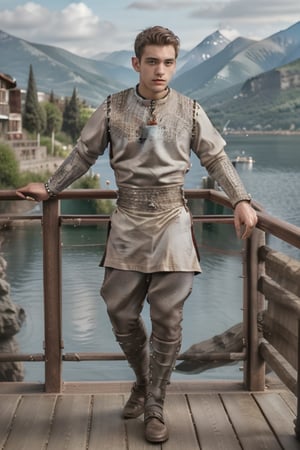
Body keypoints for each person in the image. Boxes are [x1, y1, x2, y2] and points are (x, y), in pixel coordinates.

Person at [16, 25, 258, 443]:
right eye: (152, 62)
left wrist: (240, 198)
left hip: (173, 224)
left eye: (167, 62)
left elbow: (216, 158)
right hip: (127, 219)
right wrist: (51, 188)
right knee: (120, 313)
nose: (160, 70)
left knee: (167, 317)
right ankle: (145, 382)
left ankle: (156, 405)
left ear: (174, 65)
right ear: (136, 63)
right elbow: (82, 154)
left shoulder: (191, 110)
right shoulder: (111, 109)